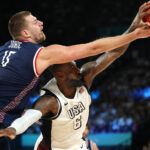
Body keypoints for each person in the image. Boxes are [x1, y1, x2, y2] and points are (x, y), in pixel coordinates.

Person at [0, 2, 150, 150]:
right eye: (35, 22)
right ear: (59, 74)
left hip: (77, 145)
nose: (41, 23)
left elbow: (113, 53)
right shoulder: (49, 96)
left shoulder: (5, 49)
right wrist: (134, 35)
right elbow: (93, 48)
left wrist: (133, 27)